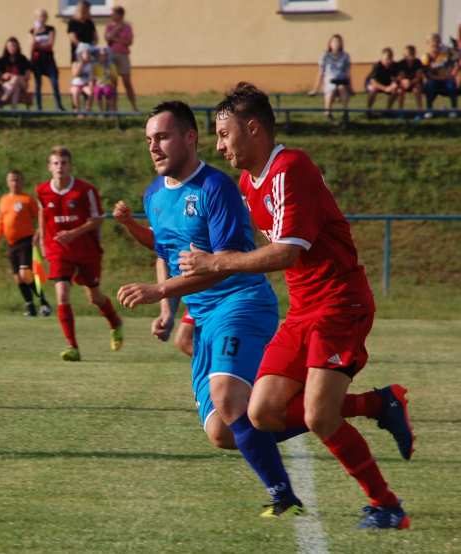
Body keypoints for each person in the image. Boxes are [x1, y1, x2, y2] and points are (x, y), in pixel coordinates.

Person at [178, 83, 414, 529]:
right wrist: (192, 301)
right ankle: (379, 404)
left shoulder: (291, 168)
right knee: (263, 412)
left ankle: (387, 506)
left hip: (338, 304)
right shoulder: (250, 182)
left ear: (253, 129)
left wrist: (218, 260)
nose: (219, 144)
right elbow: (257, 256)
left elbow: (286, 252)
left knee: (318, 416)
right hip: (302, 310)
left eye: (224, 133)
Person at [117, 101, 306, 517]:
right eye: (149, 139)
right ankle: (334, 407)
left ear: (189, 137)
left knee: (227, 399)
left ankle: (283, 496)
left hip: (240, 300)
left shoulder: (216, 188)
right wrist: (168, 307)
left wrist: (158, 290)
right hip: (201, 313)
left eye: (163, 137)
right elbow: (165, 250)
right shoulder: (153, 195)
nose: (154, 147)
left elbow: (219, 265)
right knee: (222, 432)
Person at [36, 146, 123, 361]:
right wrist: (43, 243)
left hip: (86, 249)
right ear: (49, 167)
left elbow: (97, 219)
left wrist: (73, 234)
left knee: (94, 297)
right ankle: (72, 346)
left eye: (63, 163)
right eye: (55, 163)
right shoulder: (42, 191)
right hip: (58, 250)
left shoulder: (85, 190)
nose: (60, 167)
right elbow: (42, 214)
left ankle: (115, 322)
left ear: (70, 166)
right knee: (62, 295)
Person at [112, 199, 193, 357]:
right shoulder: (161, 196)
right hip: (202, 296)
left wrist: (159, 291)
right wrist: (166, 312)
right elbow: (165, 257)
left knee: (186, 340)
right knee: (187, 342)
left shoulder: (211, 190)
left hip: (229, 291)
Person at [0, 169, 52, 317]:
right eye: (12, 180)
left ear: (22, 182)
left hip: (26, 241)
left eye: (17, 180)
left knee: (26, 274)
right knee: (18, 277)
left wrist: (38, 234)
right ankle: (30, 306)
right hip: (12, 243)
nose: (14, 183)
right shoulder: (3, 200)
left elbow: (41, 217)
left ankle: (43, 302)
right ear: (7, 182)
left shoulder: (27, 200)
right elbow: (0, 222)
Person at [29, 9, 65, 111]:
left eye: (44, 16)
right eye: (40, 16)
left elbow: (50, 45)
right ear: (36, 18)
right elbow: (31, 46)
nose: (42, 18)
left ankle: (59, 105)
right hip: (37, 60)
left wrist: (38, 45)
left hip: (49, 60)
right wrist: (35, 34)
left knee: (54, 82)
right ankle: (39, 107)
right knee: (38, 84)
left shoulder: (50, 29)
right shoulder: (32, 31)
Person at [310, 34, 352, 119]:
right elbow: (321, 72)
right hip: (329, 80)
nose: (336, 44)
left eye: (338, 42)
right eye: (334, 42)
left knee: (342, 88)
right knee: (332, 88)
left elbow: (348, 73)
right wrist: (315, 89)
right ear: (330, 44)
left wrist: (351, 88)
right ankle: (327, 112)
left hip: (341, 80)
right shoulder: (325, 56)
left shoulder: (345, 56)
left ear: (341, 44)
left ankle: (345, 112)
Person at [104, 6, 137, 112]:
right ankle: (114, 109)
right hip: (111, 55)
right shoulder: (109, 26)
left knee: (127, 82)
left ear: (120, 15)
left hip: (123, 56)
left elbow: (129, 42)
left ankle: (134, 107)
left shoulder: (127, 27)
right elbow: (107, 38)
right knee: (113, 83)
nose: (111, 15)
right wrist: (117, 30)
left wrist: (115, 39)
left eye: (114, 13)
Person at [421, 33, 459, 118]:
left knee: (451, 85)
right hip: (434, 80)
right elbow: (427, 74)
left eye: (437, 43)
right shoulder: (425, 57)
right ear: (428, 44)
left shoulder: (446, 53)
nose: (435, 46)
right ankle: (429, 110)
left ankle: (454, 110)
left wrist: (453, 73)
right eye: (433, 44)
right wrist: (440, 78)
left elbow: (457, 61)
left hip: (447, 79)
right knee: (430, 85)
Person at [365, 48, 401, 115]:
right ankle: (368, 110)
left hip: (386, 83)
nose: (388, 61)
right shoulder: (377, 66)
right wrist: (385, 88)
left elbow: (398, 78)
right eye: (386, 59)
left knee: (396, 90)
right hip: (373, 83)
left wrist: (394, 84)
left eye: (390, 58)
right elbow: (373, 82)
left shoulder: (395, 65)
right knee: (373, 90)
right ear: (382, 58)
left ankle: (388, 110)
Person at [0, 37, 32, 110]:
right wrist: (4, 75)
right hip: (7, 84)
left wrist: (14, 77)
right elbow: (1, 75)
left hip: (22, 84)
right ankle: (14, 110)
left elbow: (27, 76)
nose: (12, 48)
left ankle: (4, 99)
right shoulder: (3, 59)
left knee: (16, 78)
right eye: (10, 46)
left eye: (14, 46)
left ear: (17, 47)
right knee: (16, 88)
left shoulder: (22, 58)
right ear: (6, 47)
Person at [395, 45, 425, 112]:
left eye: (411, 54)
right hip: (404, 83)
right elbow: (400, 77)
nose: (408, 56)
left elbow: (418, 77)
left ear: (414, 54)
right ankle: (400, 111)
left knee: (416, 89)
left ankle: (420, 110)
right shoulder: (401, 63)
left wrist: (410, 82)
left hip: (415, 83)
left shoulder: (418, 62)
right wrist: (404, 82)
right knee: (400, 91)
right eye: (406, 54)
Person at [70, 44, 94, 115]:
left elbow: (91, 77)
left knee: (91, 93)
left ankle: (87, 111)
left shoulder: (91, 65)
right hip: (76, 85)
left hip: (85, 85)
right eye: (87, 53)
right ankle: (77, 111)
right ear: (80, 54)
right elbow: (75, 74)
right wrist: (81, 63)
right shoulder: (75, 63)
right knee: (75, 92)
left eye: (89, 53)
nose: (89, 55)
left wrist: (91, 86)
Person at [93, 48, 118, 113]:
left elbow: (115, 77)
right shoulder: (96, 66)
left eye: (104, 55)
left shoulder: (111, 65)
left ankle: (110, 111)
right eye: (101, 55)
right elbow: (93, 76)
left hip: (108, 84)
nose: (102, 57)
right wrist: (97, 80)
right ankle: (101, 111)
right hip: (99, 84)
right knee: (97, 91)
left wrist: (110, 73)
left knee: (108, 91)